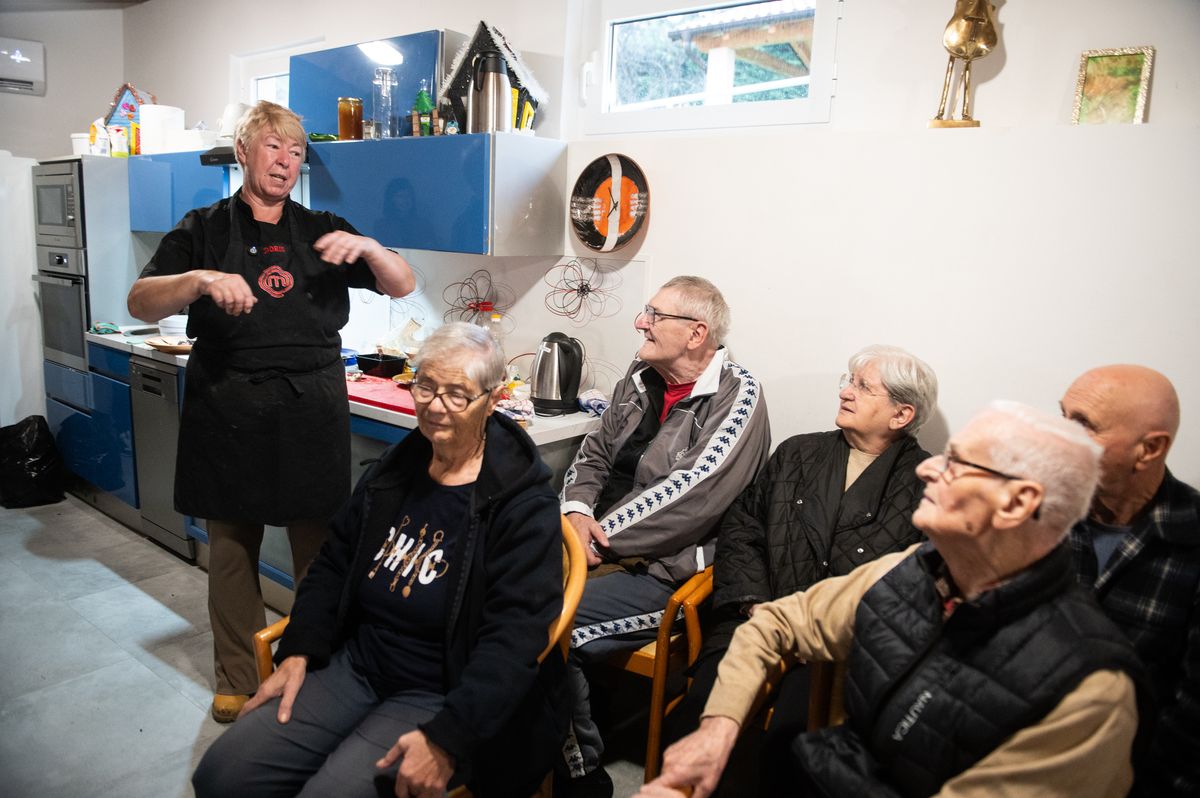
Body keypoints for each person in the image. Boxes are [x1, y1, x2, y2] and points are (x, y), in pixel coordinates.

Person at [641, 402, 1148, 798]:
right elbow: (778, 623)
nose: (929, 470)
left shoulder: (1090, 693)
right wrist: (718, 729)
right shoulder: (913, 570)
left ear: (1017, 503)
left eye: (958, 463)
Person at [126, 100, 416, 722]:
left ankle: (311, 666)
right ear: (244, 152)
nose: (285, 161)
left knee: (319, 548)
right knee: (232, 549)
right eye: (273, 147)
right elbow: (140, 301)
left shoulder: (323, 228)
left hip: (312, 406)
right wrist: (200, 280)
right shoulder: (203, 227)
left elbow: (402, 283)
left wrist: (369, 246)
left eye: (296, 151)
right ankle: (237, 677)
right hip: (227, 403)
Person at [192, 322, 567, 798]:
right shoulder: (397, 468)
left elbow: (515, 637)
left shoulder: (521, 504)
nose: (435, 405)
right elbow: (333, 562)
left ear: (492, 401)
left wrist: (450, 737)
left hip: (442, 690)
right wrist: (300, 649)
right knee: (222, 774)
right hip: (356, 664)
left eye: (457, 394)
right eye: (426, 386)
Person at [663, 345, 937, 793]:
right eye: (848, 381)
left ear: (901, 414)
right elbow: (742, 528)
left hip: (838, 648)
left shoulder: (926, 484)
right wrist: (755, 603)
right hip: (758, 616)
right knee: (697, 714)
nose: (845, 392)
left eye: (863, 387)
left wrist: (831, 628)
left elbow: (912, 585)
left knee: (794, 741)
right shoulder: (798, 453)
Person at [558, 276, 770, 796]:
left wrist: (594, 538)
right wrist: (576, 512)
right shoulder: (638, 377)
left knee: (548, 624)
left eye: (655, 315)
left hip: (665, 573)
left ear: (697, 333)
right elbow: (594, 453)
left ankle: (579, 775)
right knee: (498, 593)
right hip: (593, 545)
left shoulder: (738, 395)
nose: (640, 323)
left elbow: (690, 496)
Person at [1061, 365, 1200, 796]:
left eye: (1083, 424)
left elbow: (1192, 720)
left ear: (1149, 449)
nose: (1060, 436)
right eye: (1062, 416)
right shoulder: (1041, 510)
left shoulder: (1191, 537)